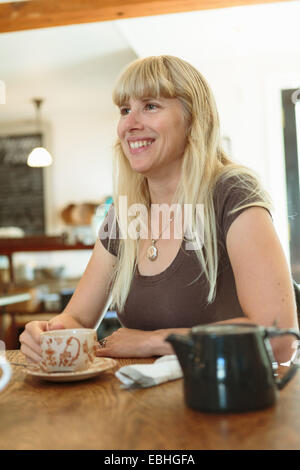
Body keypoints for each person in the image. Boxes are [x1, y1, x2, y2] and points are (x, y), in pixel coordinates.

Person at [20, 55, 298, 364]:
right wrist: (49, 332)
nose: (130, 124)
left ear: (193, 118)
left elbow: (279, 338)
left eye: (150, 106)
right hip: (141, 406)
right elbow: (78, 320)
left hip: (226, 403)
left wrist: (152, 341)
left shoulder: (231, 193)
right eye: (125, 110)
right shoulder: (124, 215)